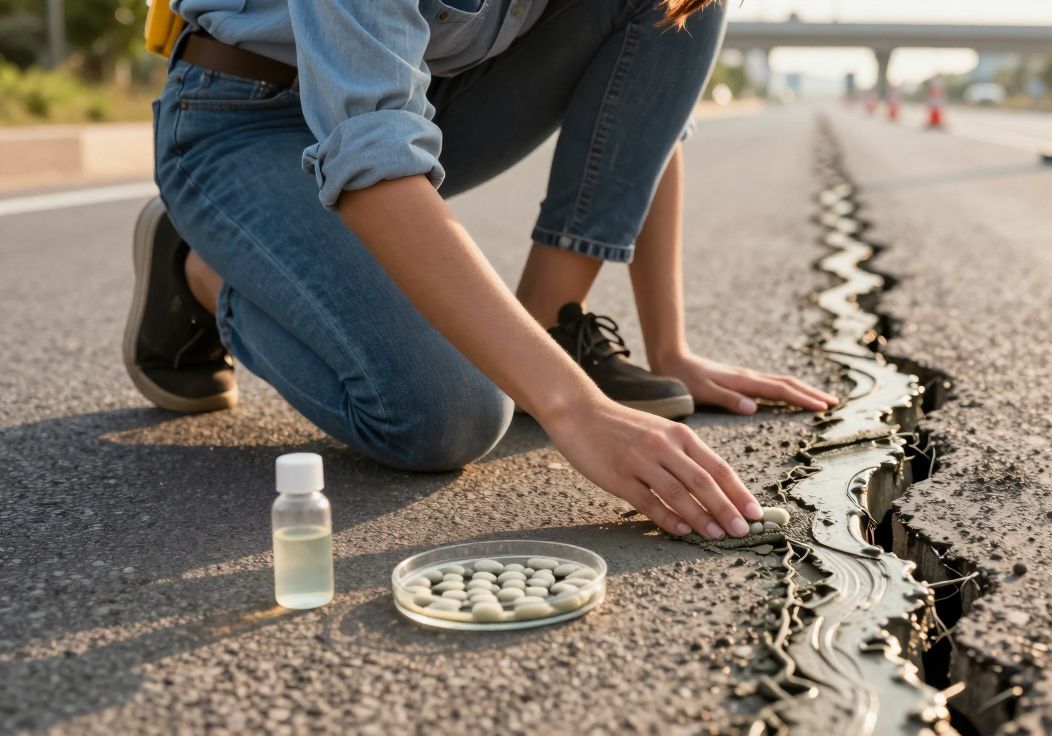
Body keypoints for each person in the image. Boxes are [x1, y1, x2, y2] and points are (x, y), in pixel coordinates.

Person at [122, 0, 838, 541]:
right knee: (450, 416)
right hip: (245, 120)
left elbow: (641, 104)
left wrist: (672, 347)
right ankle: (202, 268)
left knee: (668, 4)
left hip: (426, 104)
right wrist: (575, 408)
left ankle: (551, 326)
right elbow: (375, 163)